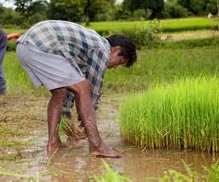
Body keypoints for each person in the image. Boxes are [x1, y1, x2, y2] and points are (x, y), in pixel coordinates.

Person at [15, 20, 136, 157]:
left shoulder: (87, 47)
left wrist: (67, 117)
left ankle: (53, 142)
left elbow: (72, 86)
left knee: (60, 92)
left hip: (25, 47)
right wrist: (86, 124)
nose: (114, 67)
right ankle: (97, 146)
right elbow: (92, 90)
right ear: (116, 50)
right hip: (39, 45)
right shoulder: (102, 48)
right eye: (119, 63)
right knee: (83, 87)